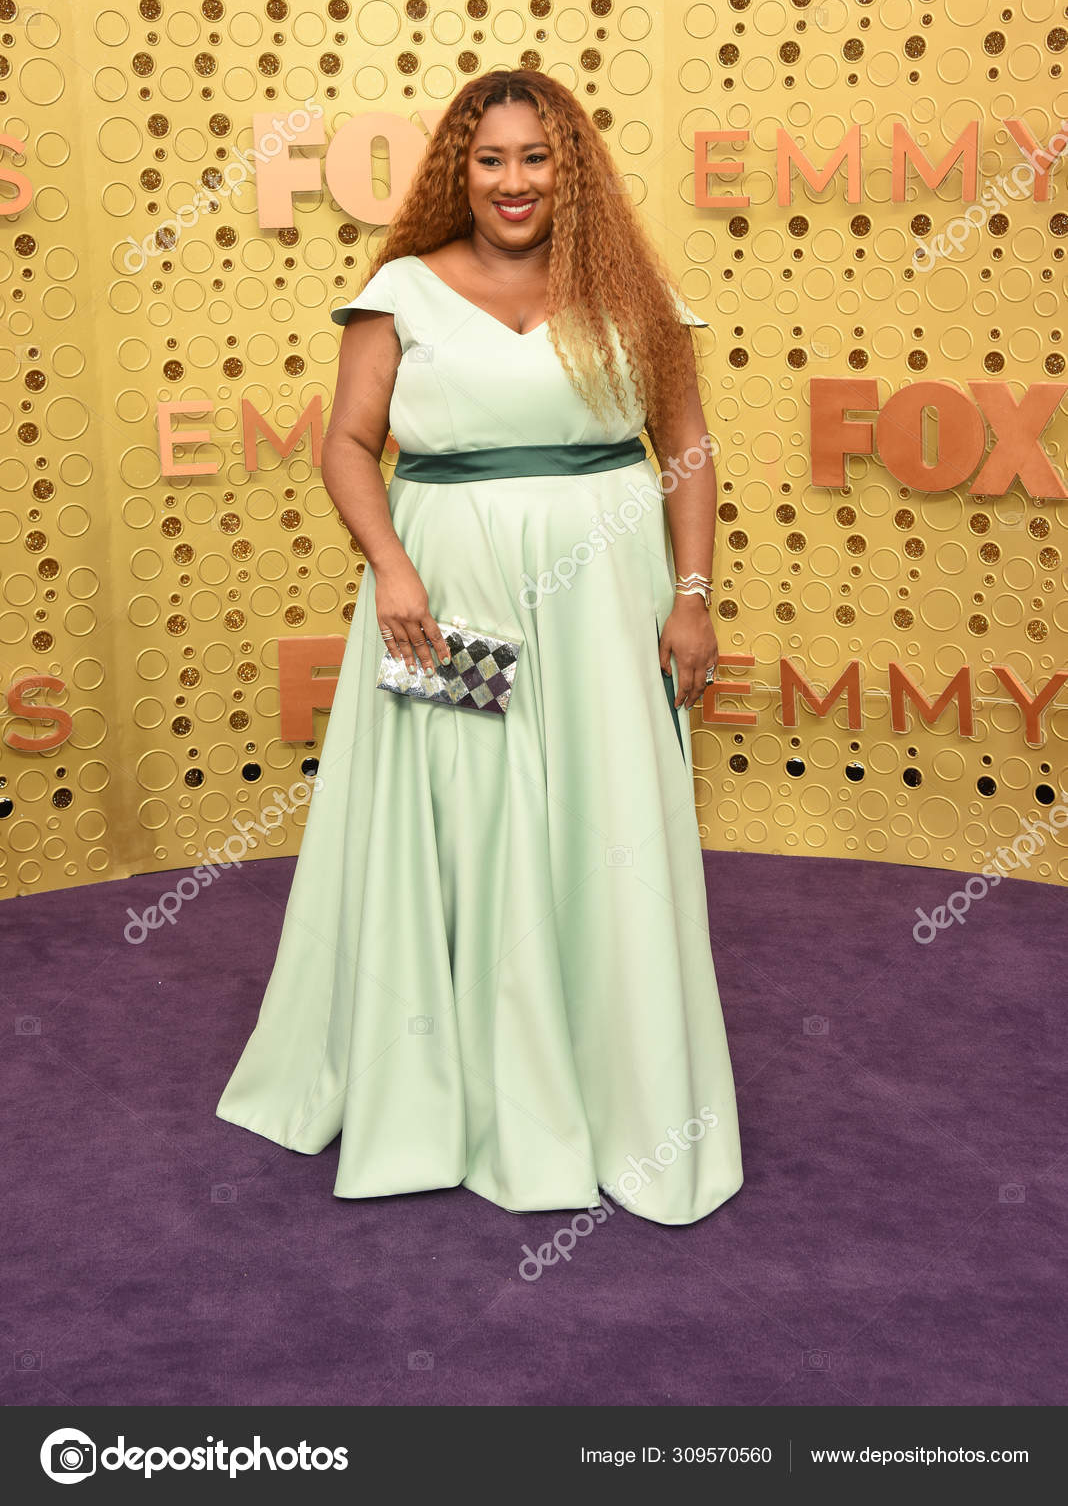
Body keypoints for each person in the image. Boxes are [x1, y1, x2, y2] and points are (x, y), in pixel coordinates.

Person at [216, 68, 744, 1226]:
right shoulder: (399, 289)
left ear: (573, 168)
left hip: (607, 599)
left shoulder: (630, 289)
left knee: (607, 823)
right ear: (462, 167)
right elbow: (351, 445)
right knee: (469, 820)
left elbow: (688, 448)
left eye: (537, 157)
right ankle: (467, 1088)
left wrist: (692, 595)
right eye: (491, 158)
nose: (514, 181)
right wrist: (394, 571)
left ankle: (620, 1094)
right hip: (447, 602)